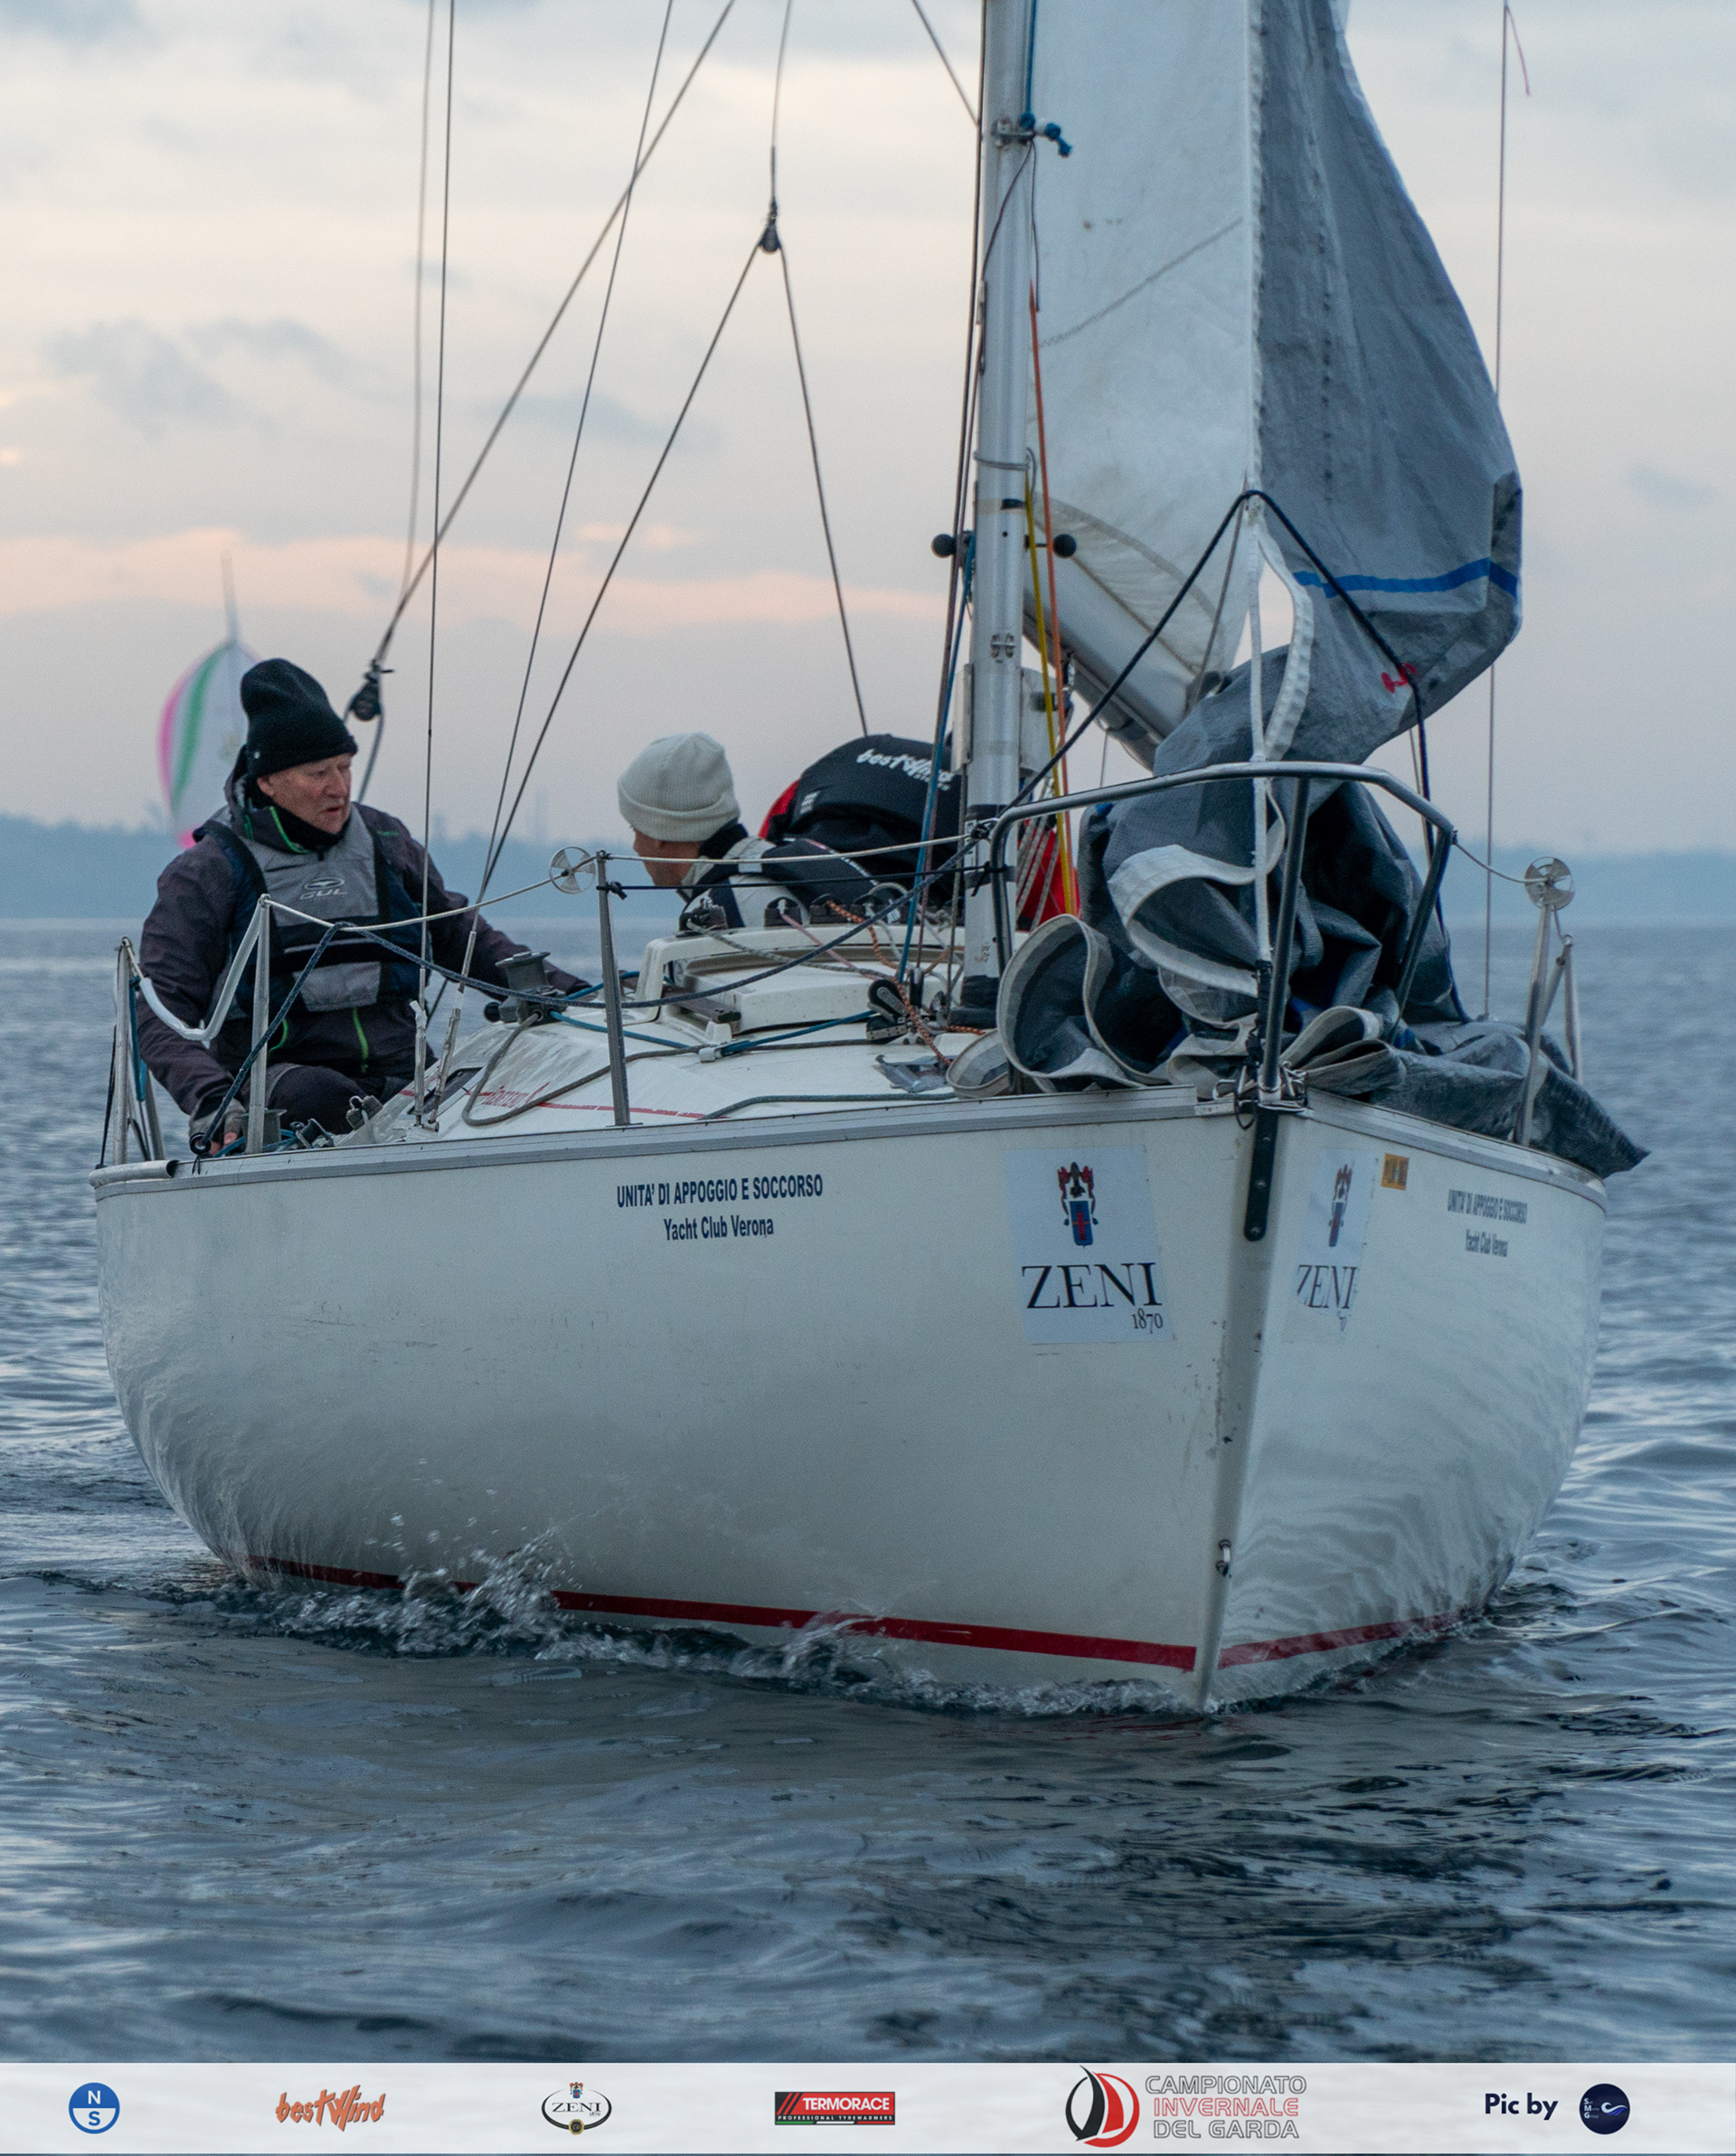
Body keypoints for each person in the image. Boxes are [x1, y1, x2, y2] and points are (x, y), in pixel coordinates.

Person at [137, 657, 582, 1145]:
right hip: (283, 1084)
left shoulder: (386, 841)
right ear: (267, 781)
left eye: (345, 767)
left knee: (512, 1082)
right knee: (323, 1095)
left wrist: (580, 999)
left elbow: (461, 938)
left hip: (405, 1075)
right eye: (318, 773)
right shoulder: (207, 872)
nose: (339, 787)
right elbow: (160, 1013)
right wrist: (213, 1102)